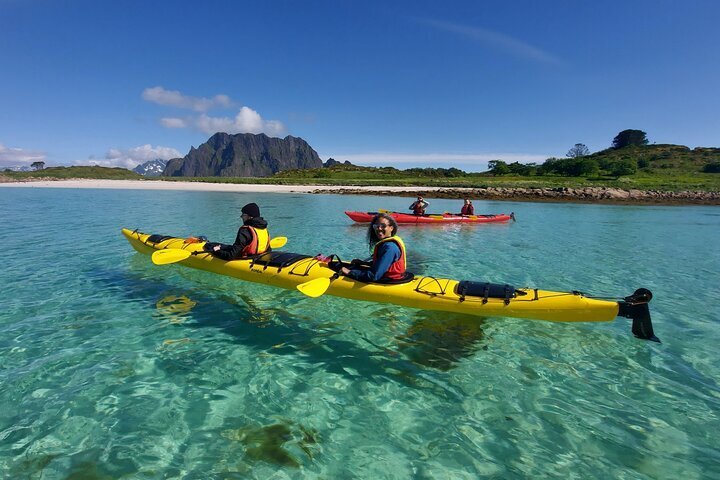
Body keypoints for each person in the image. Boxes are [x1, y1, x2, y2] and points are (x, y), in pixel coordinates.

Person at [340, 213, 407, 282]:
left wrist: (350, 272)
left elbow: (374, 276)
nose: (379, 228)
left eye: (383, 226)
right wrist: (364, 263)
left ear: (391, 228)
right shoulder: (388, 244)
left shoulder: (390, 248)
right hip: (387, 277)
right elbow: (384, 264)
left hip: (388, 280)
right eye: (376, 226)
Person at [202, 202, 270, 260]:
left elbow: (231, 256)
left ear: (250, 217)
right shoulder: (264, 228)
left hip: (246, 258)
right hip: (258, 256)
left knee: (210, 247)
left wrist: (217, 251)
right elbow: (269, 250)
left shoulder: (245, 230)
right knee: (213, 245)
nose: (241, 217)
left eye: (243, 215)